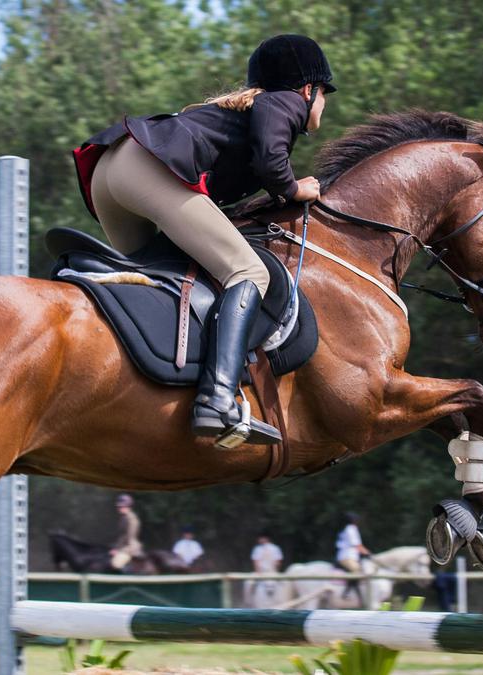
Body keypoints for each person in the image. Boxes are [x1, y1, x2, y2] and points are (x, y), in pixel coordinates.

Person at [72, 34, 335, 448]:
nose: (323, 105)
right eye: (324, 95)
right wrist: (294, 189)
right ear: (308, 90)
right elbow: (271, 161)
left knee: (156, 279)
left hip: (111, 172)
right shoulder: (282, 102)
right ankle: (217, 398)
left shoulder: (234, 113)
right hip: (146, 170)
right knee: (248, 271)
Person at [109, 494, 143, 571]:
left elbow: (129, 538)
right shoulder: (123, 518)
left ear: (128, 506)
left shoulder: (132, 519)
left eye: (121, 506)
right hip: (122, 546)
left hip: (130, 548)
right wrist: (115, 547)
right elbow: (121, 537)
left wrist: (118, 550)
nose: (119, 508)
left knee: (115, 564)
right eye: (118, 506)